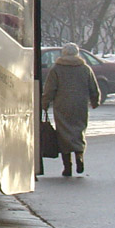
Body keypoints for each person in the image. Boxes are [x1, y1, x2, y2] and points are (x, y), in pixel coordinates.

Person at [41, 42, 100, 176]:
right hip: (80, 104)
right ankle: (79, 156)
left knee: (63, 133)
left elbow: (50, 88)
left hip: (62, 105)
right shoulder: (85, 68)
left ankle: (67, 166)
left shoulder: (56, 69)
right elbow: (93, 87)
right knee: (79, 130)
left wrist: (45, 103)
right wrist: (95, 100)